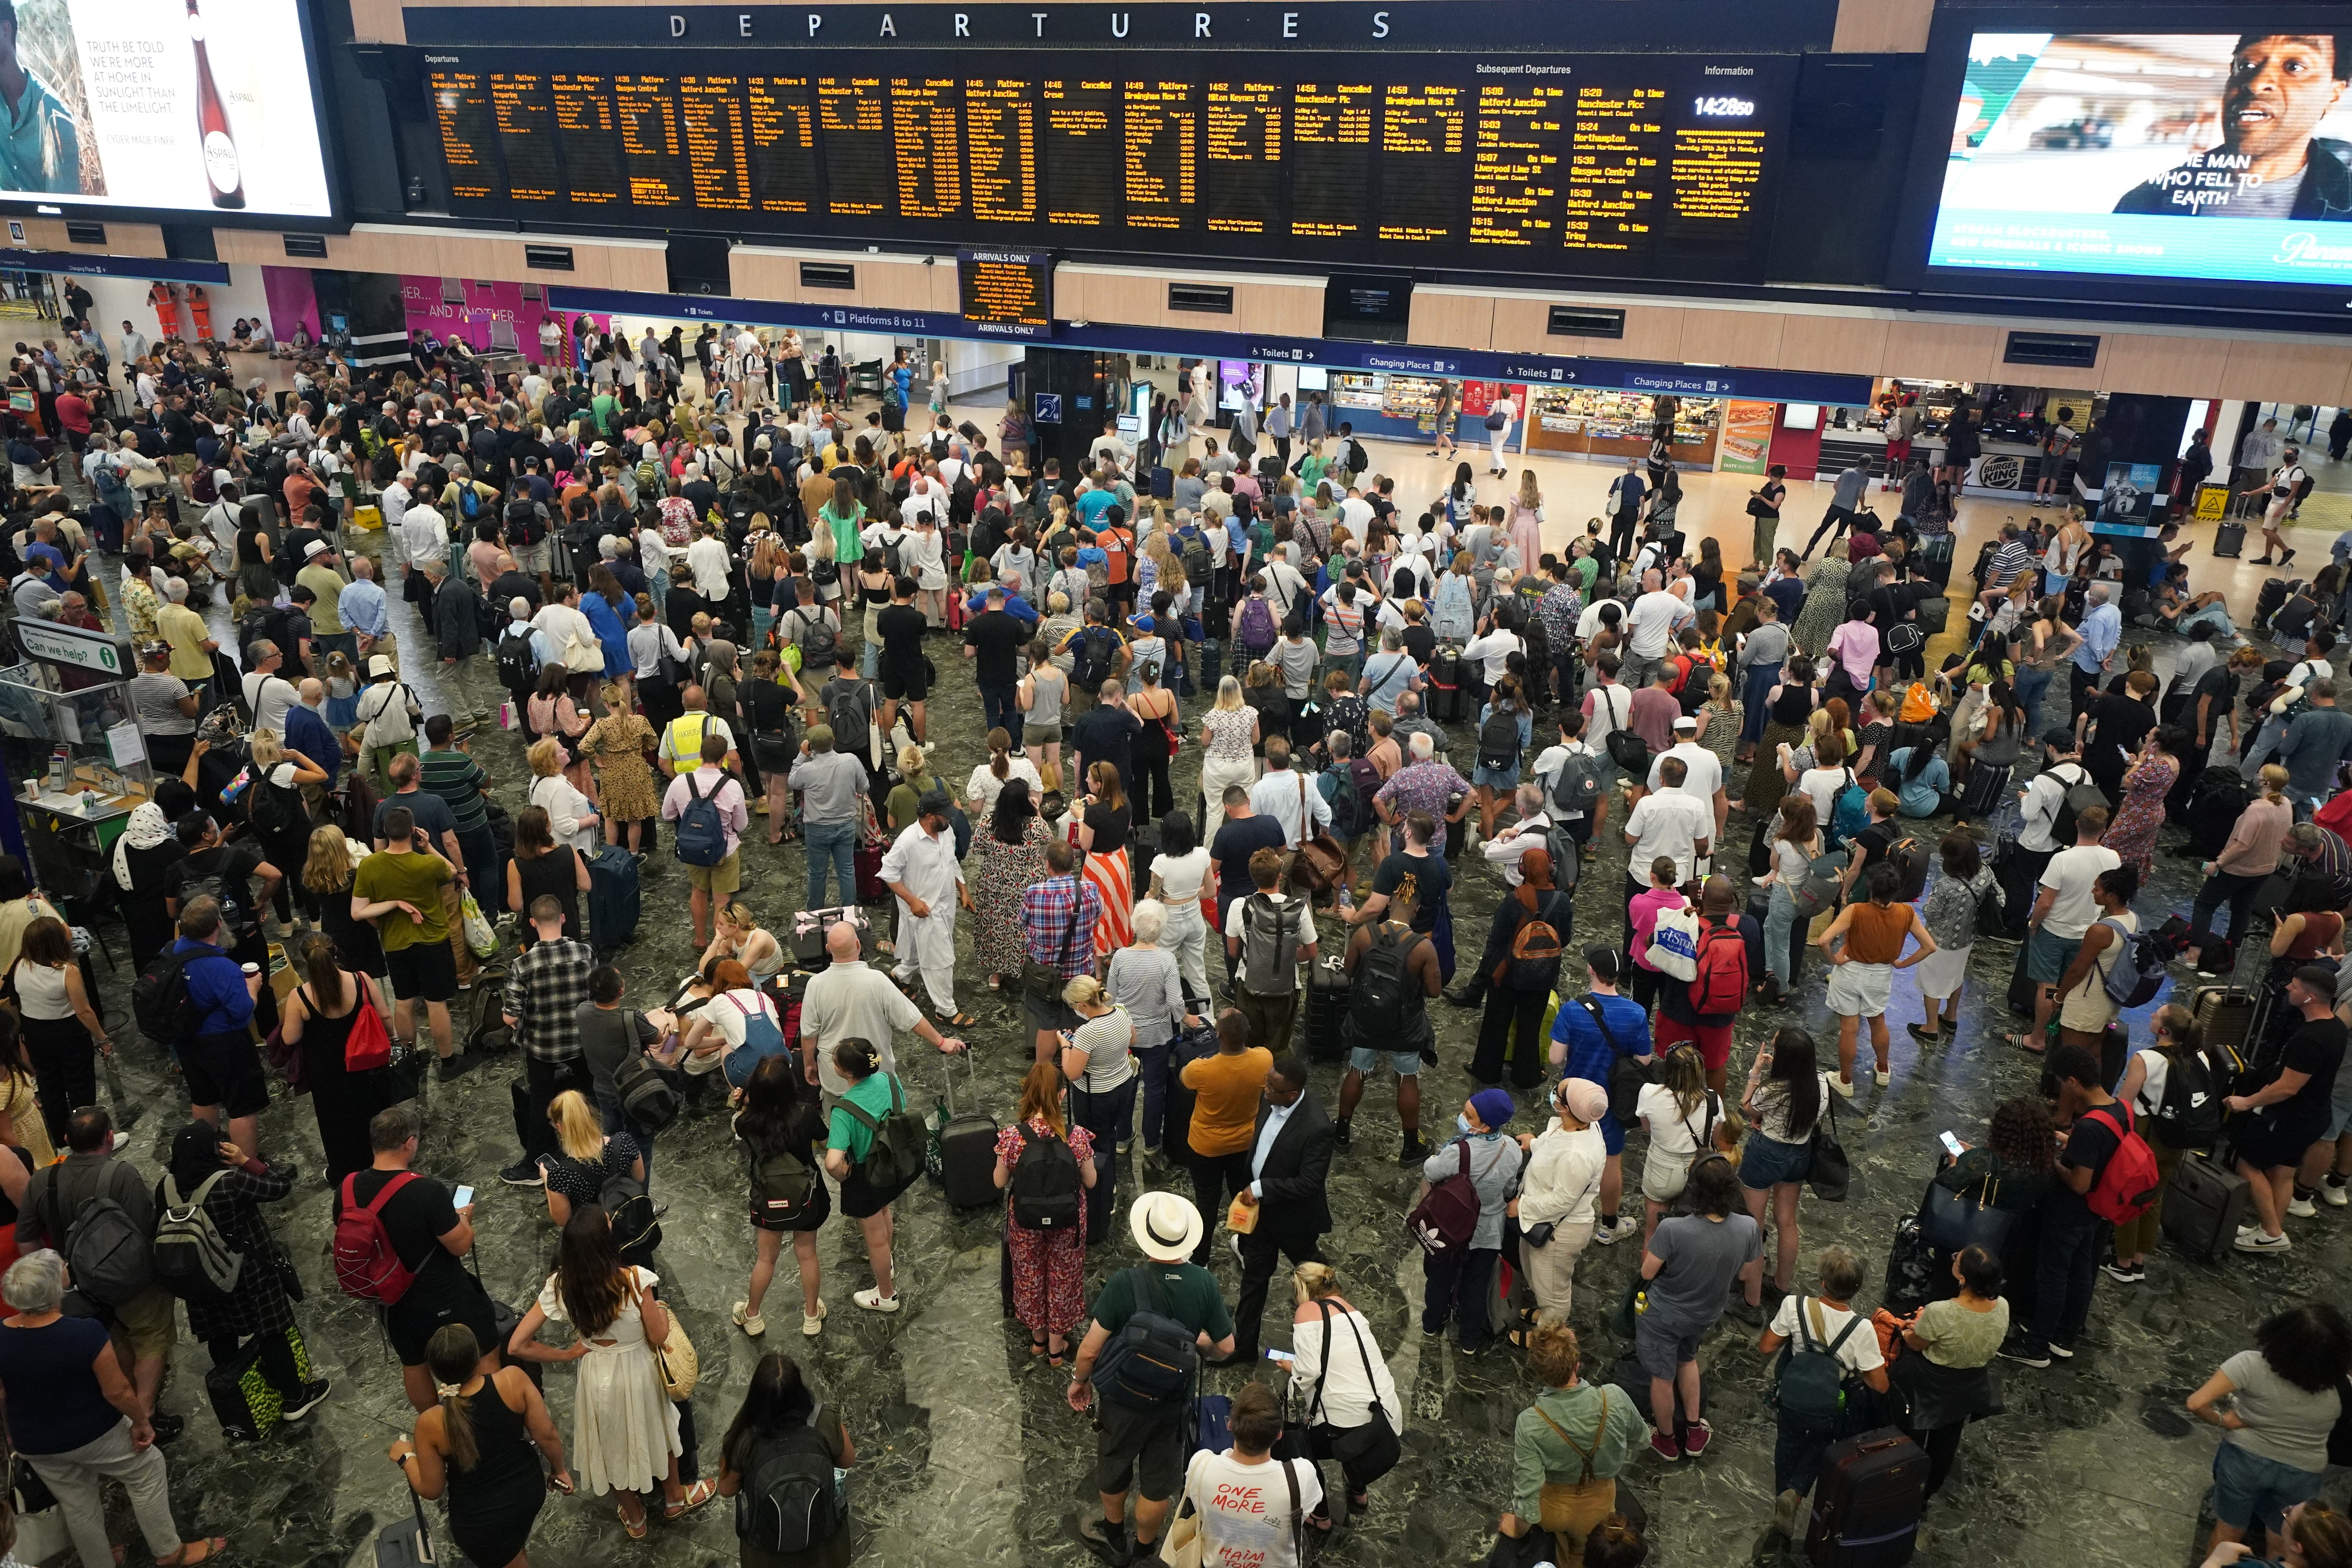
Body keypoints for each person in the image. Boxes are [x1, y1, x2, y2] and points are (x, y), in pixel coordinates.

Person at [0, 1250, 225, 1568]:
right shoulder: (84, 1333)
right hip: (92, 1433)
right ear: (53, 1289)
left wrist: (12, 1438)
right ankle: (170, 1552)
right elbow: (117, 1390)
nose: (66, 1267)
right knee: (147, 1469)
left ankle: (101, 1563)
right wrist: (141, 1421)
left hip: (34, 1443)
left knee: (78, 1505)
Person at [505, 1206, 711, 1539]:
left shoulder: (561, 1285)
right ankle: (674, 1499)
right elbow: (658, 1336)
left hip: (596, 1373)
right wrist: (657, 1310)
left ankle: (635, 1518)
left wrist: (568, 1354)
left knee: (609, 1443)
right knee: (662, 1428)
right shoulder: (634, 1280)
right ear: (606, 1241)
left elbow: (517, 1345)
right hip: (639, 1370)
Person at [1067, 1190, 1238, 1564]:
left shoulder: (1125, 1283)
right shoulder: (1204, 1284)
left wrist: (1080, 1381)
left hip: (1123, 1400)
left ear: (1145, 1236)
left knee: (1115, 1465)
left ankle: (1114, 1539)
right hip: (1172, 1401)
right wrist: (1200, 1344)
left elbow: (1091, 1350)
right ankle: (1146, 1552)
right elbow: (1226, 1348)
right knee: (1158, 1483)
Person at [348, 1104, 502, 1413]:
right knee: (485, 1345)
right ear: (409, 1144)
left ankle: (434, 1423)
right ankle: (492, 1416)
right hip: (442, 1294)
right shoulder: (426, 1191)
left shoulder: (348, 1188)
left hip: (393, 1301)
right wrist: (463, 1219)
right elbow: (460, 1246)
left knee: (414, 1362)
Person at [390, 1324, 572, 1568]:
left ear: (435, 1372)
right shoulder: (512, 1380)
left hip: (482, 1521)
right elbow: (547, 1435)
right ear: (477, 1356)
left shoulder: (431, 1422)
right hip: (528, 1492)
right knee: (515, 1550)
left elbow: (432, 1489)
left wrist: (406, 1458)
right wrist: (559, 1470)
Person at [2188, 1303, 2352, 1562]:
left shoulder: (2249, 1365)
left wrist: (2224, 1421)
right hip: (2303, 1472)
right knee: (2281, 1540)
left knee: (2227, 1535)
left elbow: (2196, 1403)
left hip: (2244, 1461)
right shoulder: (2340, 1388)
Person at [2001, 1043, 2127, 1368]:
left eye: (2061, 1082)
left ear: (2073, 1081)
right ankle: (2065, 1336)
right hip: (2099, 1209)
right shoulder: (2120, 1109)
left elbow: (2079, 1183)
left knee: (2052, 1276)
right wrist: (2073, 1146)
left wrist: (2054, 1159)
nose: (2060, 1088)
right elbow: (2106, 1154)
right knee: (2081, 1271)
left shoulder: (2088, 1126)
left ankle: (2037, 1345)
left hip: (2072, 1211)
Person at [1755, 1244, 1891, 1539]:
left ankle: (1784, 1495)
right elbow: (1880, 1385)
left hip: (1791, 1396)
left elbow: (1766, 1346)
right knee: (1821, 1444)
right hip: (1830, 1405)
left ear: (1823, 1283)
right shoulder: (1862, 1329)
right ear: (1857, 1288)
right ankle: (1796, 1494)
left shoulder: (1794, 1306)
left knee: (1787, 1443)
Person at [1637, 1157, 1761, 1459]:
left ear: (1694, 1190)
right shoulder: (1749, 1227)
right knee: (1687, 1358)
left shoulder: (1675, 1230)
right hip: (1706, 1313)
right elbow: (1746, 1275)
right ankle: (1694, 1431)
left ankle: (1666, 1440)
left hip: (1663, 1315)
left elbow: (1647, 1273)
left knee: (1662, 1378)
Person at [2228, 964, 2347, 1255]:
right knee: (2282, 1172)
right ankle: (2269, 1233)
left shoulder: (2310, 1039)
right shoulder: (2335, 1028)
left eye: (2294, 986)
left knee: (2246, 1163)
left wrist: (2247, 1101)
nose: (2287, 989)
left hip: (2289, 1117)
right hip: (2314, 1115)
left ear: (2308, 997)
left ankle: (2272, 1232)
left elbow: (2287, 1088)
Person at [1223, 1055, 1334, 1365]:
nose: (1264, 1089)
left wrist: (1261, 1189)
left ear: (1293, 1094)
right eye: (1267, 1082)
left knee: (1314, 1277)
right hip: (1261, 1218)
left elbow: (1310, 1183)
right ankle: (1244, 1349)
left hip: (1294, 1219)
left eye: (1272, 1087)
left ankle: (1332, 1335)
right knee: (1253, 1281)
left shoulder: (1317, 1127)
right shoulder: (1269, 1096)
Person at [354, 805, 474, 1081]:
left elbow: (358, 911)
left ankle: (410, 1058)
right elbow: (453, 870)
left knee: (404, 1001)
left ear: (384, 831)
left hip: (395, 944)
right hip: (432, 940)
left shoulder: (369, 865)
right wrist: (430, 846)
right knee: (435, 1003)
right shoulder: (427, 864)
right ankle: (448, 1061)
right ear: (413, 831)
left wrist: (392, 907)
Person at [996, 1059, 1100, 1363]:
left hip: (1025, 1221)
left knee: (1029, 1274)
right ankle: (1057, 1348)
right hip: (1068, 1220)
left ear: (1027, 1094)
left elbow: (999, 1181)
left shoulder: (1013, 1136)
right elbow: (1091, 1182)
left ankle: (1038, 1341)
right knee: (1063, 1277)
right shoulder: (1077, 1135)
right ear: (1062, 1095)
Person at [1285, 1263, 1403, 1529]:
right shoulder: (1349, 1309)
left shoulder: (1307, 1311)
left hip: (1347, 1421)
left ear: (1303, 1290)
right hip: (1384, 1413)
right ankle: (1358, 1492)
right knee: (1350, 1435)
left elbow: (1308, 1372)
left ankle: (1321, 1515)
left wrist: (1291, 1368)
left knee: (1297, 1446)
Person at [715, 1352, 857, 1568]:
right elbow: (848, 1460)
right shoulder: (824, 1419)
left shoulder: (744, 1436)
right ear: (800, 1389)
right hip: (824, 1548)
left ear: (755, 1397)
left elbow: (726, 1489)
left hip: (766, 1554)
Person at [1338, 871, 1441, 1159]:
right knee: (1407, 1078)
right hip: (1404, 1026)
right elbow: (1434, 991)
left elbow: (1348, 973)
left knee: (1357, 1071)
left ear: (1388, 906)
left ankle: (1342, 1131)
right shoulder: (1423, 947)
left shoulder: (1364, 933)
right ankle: (1410, 1146)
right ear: (1417, 910)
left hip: (1367, 1019)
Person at [1417, 1087, 1521, 1356]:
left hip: (1452, 1230)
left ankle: (1432, 1323)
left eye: (1469, 1115)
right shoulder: (1511, 1149)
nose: (1462, 1117)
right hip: (1489, 1232)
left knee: (1440, 1279)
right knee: (1477, 1285)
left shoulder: (1459, 1152)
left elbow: (1431, 1171)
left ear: (1485, 1125)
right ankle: (1469, 1340)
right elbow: (1510, 1188)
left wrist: (1434, 1157)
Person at [1175, 1381, 1323, 1566]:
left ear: (1230, 1426)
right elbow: (1307, 1509)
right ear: (1279, 1434)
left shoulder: (1201, 1465)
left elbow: (1197, 1504)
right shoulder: (1300, 1476)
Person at [2012, 804, 2119, 1054]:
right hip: (2087, 934)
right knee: (2070, 987)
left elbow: (2045, 902)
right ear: (2103, 831)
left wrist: (2033, 925)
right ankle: (2060, 1034)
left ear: (2076, 825)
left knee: (2047, 988)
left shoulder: (2062, 859)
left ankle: (2037, 1038)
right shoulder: (2113, 858)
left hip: (2054, 932)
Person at [1511, 1077, 1610, 1336]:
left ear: (1565, 1107)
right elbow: (1553, 1144)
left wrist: (1522, 1208)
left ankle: (1547, 1336)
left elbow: (1561, 1202)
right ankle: (1546, 1314)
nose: (1553, 1092)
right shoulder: (1576, 1122)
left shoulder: (1578, 1155)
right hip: (1540, 1219)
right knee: (1537, 1277)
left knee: (1553, 1290)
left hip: (1559, 1232)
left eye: (1558, 1091)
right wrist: (1534, 1144)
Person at [1469, 845, 1573, 1090]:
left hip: (1507, 973)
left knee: (1496, 1021)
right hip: (1542, 974)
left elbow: (1496, 939)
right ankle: (1527, 1075)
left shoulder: (1513, 899)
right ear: (1551, 869)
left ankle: (1486, 1071)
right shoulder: (1562, 901)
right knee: (1531, 1024)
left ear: (1522, 869)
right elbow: (1565, 939)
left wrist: (1486, 970)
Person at [9, 914, 107, 1151]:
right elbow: (84, 1011)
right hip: (67, 1034)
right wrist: (103, 1038)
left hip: (35, 1032)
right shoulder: (67, 972)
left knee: (50, 1089)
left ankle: (62, 1141)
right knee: (80, 1088)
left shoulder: (19, 964)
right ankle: (88, 1142)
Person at [1225, 846, 1317, 1051]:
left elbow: (1233, 951)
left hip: (1249, 984)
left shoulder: (1239, 906)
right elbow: (1312, 952)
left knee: (1249, 1045)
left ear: (1253, 877)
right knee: (1278, 1047)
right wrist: (1287, 956)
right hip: (1285, 988)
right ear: (1280, 875)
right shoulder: (1297, 908)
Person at [1911, 831, 1996, 1045]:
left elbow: (1931, 913)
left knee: (1932, 984)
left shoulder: (1945, 885)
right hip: (1967, 938)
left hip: (1939, 941)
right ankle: (1951, 1017)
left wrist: (1929, 900)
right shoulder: (1985, 872)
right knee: (1956, 976)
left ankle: (1930, 1028)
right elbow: (2000, 896)